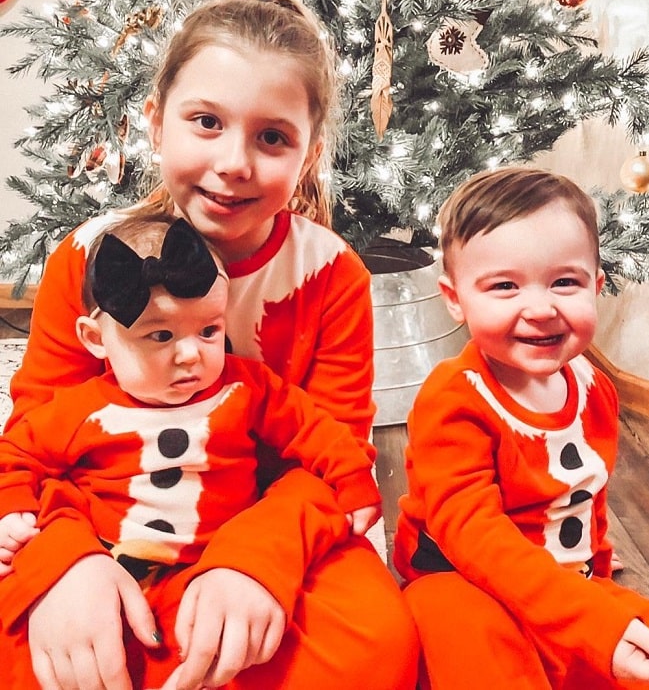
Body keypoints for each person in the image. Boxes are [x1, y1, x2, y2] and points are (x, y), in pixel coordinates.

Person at [0, 0, 419, 690]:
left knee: (375, 647)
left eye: (272, 137)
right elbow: (39, 437)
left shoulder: (332, 273)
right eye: (205, 122)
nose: (234, 162)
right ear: (156, 123)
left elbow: (332, 452)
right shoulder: (89, 255)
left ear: (308, 153)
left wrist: (255, 560)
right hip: (107, 515)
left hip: (273, 518)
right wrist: (65, 563)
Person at [0, 213, 383, 689]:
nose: (191, 355)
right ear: (96, 340)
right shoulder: (79, 408)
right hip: (109, 554)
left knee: (345, 645)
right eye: (161, 336)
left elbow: (316, 430)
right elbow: (18, 453)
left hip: (219, 550)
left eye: (208, 332)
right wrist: (14, 509)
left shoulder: (247, 388)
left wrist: (351, 478)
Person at [393, 166, 649, 689]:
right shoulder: (455, 397)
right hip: (463, 581)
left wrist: (596, 572)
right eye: (505, 286)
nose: (540, 308)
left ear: (596, 286)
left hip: (565, 584)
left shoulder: (594, 387)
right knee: (476, 648)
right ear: (454, 297)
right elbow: (472, 533)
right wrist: (590, 617)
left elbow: (589, 494)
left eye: (565, 282)